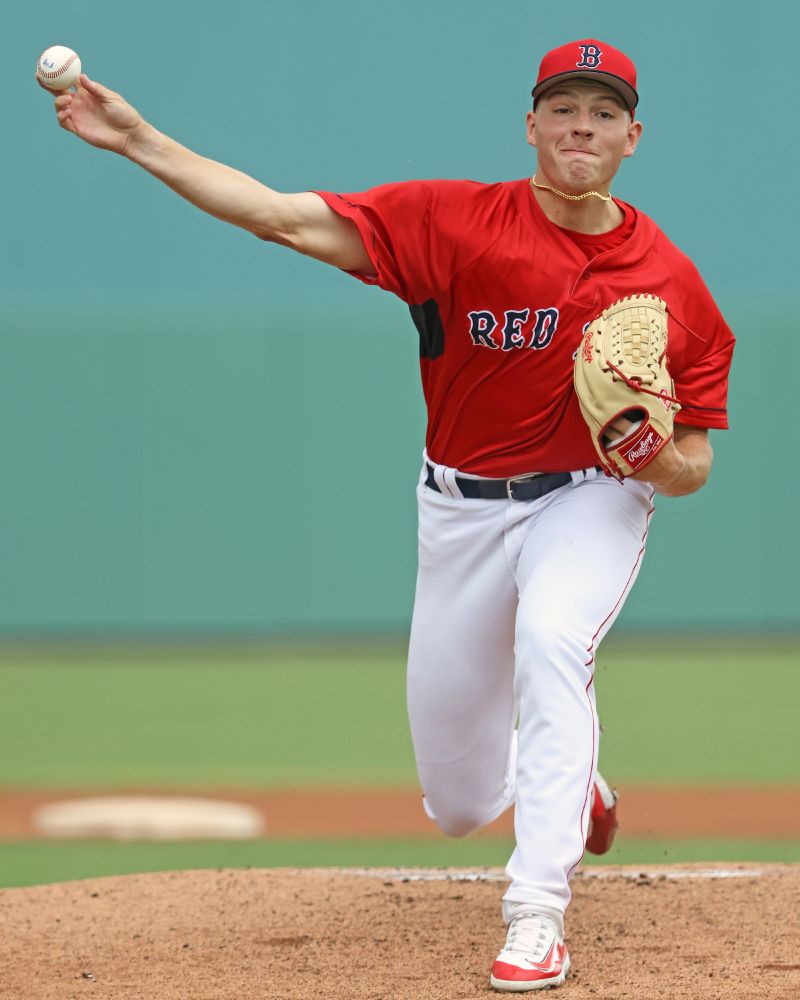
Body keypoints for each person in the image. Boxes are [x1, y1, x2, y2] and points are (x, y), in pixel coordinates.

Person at [43, 37, 734, 992]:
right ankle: (573, 785)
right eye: (566, 109)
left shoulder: (667, 278)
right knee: (455, 802)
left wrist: (658, 461)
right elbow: (282, 220)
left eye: (604, 112)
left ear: (633, 136)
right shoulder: (454, 223)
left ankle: (537, 916)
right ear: (531, 125)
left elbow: (696, 461)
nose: (584, 127)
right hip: (458, 510)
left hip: (591, 496)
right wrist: (138, 140)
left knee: (550, 642)